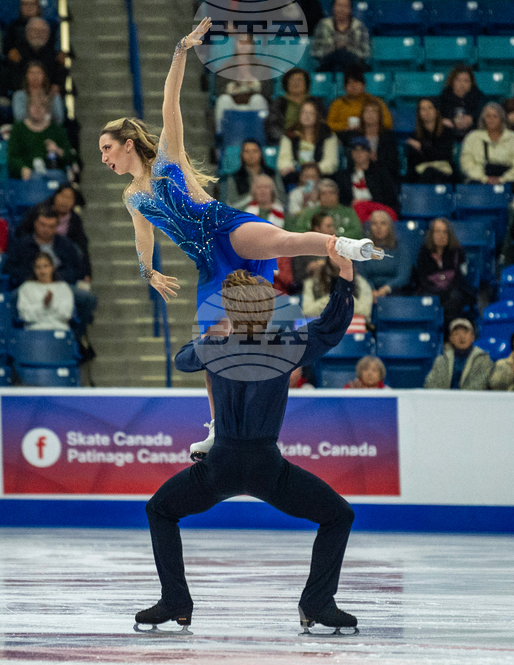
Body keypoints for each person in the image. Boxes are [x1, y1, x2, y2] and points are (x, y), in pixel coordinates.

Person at [99, 19, 377, 460]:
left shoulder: (170, 157)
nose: (104, 157)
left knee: (281, 241)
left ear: (129, 142)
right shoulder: (132, 198)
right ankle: (217, 429)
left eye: (107, 148)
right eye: (100, 152)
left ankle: (338, 245)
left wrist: (180, 51)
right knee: (213, 348)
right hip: (209, 265)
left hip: (224, 226)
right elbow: (143, 236)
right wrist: (146, 270)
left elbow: (170, 98)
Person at [138, 241, 359, 635]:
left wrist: (213, 335)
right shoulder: (285, 345)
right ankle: (317, 603)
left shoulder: (214, 346)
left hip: (220, 465)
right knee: (338, 516)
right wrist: (344, 276)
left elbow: (182, 360)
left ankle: (176, 600)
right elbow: (331, 327)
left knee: (160, 510)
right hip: (266, 467)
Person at [5, 206, 96, 337]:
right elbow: (9, 268)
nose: (46, 229)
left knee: (87, 299)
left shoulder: (66, 245)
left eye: (51, 226)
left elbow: (77, 269)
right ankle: (15, 338)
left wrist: (59, 278)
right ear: (35, 223)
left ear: (56, 226)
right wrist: (30, 277)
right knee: (10, 299)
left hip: (60, 284)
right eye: (43, 225)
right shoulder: (22, 244)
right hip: (30, 283)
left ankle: (78, 337)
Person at [409, 217, 475, 325]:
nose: (441, 235)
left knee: (455, 299)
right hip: (431, 290)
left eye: (445, 232)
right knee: (428, 300)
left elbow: (459, 276)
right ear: (431, 234)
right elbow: (422, 278)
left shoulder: (457, 251)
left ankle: (448, 334)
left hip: (452, 289)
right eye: (438, 232)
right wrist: (437, 292)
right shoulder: (423, 253)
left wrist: (447, 290)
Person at [16, 184, 91, 273]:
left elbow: (82, 245)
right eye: (63, 196)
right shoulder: (39, 211)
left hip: (62, 259)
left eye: (69, 198)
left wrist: (87, 273)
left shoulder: (75, 220)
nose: (65, 201)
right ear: (55, 196)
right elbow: (21, 233)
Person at [460, 102, 514, 184]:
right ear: (483, 119)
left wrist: (502, 179)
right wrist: (485, 178)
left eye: (495, 116)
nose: (491, 119)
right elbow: (467, 163)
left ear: (502, 118)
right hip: (479, 182)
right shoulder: (472, 137)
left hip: (508, 182)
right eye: (488, 116)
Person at [9, 96, 76, 180]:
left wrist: (57, 150)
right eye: (34, 106)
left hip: (53, 174)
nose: (37, 109)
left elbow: (70, 157)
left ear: (47, 109)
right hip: (28, 175)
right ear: (28, 108)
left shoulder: (56, 130)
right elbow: (12, 157)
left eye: (41, 106)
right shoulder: (18, 129)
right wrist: (21, 168)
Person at [423, 318, 493, 390]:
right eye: (456, 333)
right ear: (451, 339)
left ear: (472, 337)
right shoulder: (442, 360)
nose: (461, 337)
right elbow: (430, 384)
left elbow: (481, 386)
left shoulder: (483, 359)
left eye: (465, 332)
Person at [278, 98, 339, 182]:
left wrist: (311, 172)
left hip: (321, 177)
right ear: (299, 114)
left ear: (317, 115)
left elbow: (331, 162)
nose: (307, 116)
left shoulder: (328, 136)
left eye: (311, 113)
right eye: (304, 112)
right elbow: (283, 160)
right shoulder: (289, 135)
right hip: (296, 176)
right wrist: (296, 171)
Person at [334, 137, 398, 213]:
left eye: (362, 150)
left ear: (369, 153)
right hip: (353, 212)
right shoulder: (344, 176)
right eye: (355, 150)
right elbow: (341, 200)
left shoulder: (380, 174)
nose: (358, 153)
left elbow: (389, 199)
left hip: (376, 212)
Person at [340, 97, 399, 180]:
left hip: (381, 177)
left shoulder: (387, 137)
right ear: (362, 115)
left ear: (380, 115)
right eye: (367, 111)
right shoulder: (355, 135)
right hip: (357, 175)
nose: (370, 114)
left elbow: (392, 164)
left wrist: (374, 159)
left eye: (374, 111)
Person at [357, 210, 408, 301]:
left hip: (394, 292)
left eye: (383, 223)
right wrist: (371, 290)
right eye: (374, 224)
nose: (378, 227)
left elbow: (403, 276)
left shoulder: (400, 248)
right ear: (369, 227)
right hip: (367, 291)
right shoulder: (363, 248)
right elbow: (361, 274)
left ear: (390, 227)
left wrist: (386, 288)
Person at [303, 255, 373, 321]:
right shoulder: (311, 283)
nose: (339, 257)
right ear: (328, 256)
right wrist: (328, 301)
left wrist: (347, 301)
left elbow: (366, 311)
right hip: (323, 326)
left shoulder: (360, 282)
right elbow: (306, 311)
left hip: (351, 326)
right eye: (336, 253)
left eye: (343, 254)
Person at [17, 251, 74, 331]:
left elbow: (66, 314)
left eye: (45, 266)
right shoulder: (26, 288)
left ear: (52, 268)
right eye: (38, 267)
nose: (42, 271)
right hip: (34, 331)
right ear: (34, 269)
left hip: (59, 329)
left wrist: (49, 305)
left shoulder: (63, 287)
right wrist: (44, 305)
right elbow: (25, 315)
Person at [405, 98, 456, 184]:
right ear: (419, 114)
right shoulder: (415, 136)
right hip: (422, 175)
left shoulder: (447, 132)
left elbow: (444, 155)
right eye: (423, 109)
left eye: (430, 108)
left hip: (444, 174)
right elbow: (414, 162)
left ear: (436, 111)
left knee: (431, 172)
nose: (427, 112)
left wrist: (421, 147)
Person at [326, 68, 391, 136]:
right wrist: (346, 126)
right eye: (349, 83)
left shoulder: (375, 102)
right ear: (344, 87)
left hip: (370, 136)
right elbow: (329, 125)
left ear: (364, 85)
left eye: (356, 82)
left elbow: (388, 123)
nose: (353, 86)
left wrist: (364, 126)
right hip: (343, 139)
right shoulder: (337, 104)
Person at [310, 0, 369, 74]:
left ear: (351, 9)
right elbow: (315, 52)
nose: (342, 9)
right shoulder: (323, 25)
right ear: (333, 7)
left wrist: (347, 49)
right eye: (339, 6)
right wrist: (334, 49)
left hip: (354, 66)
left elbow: (365, 53)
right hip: (328, 64)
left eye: (345, 6)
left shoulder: (360, 27)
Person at [288, 179, 363, 237]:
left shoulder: (349, 212)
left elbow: (357, 232)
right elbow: (299, 232)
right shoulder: (308, 213)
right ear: (319, 196)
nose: (328, 197)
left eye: (331, 193)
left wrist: (336, 239)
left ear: (337, 194)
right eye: (324, 193)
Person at [6, 17, 65, 89]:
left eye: (43, 31)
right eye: (34, 30)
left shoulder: (55, 57)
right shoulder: (16, 54)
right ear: (27, 33)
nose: (38, 34)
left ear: (48, 35)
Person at [265, 67, 320, 144]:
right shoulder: (279, 103)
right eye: (292, 80)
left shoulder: (314, 102)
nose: (296, 83)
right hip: (285, 141)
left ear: (306, 83)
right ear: (286, 83)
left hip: (311, 141)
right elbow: (273, 126)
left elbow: (321, 124)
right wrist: (287, 138)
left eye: (299, 80)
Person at [223, 138, 281, 209]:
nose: (251, 155)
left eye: (255, 151)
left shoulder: (272, 174)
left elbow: (282, 199)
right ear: (242, 154)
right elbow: (231, 204)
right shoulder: (234, 177)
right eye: (247, 151)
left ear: (261, 153)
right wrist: (250, 197)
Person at [12, 60, 65, 126]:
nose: (35, 76)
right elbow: (19, 117)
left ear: (44, 75)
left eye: (38, 73)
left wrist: (47, 105)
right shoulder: (19, 95)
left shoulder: (52, 95)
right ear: (27, 75)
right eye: (32, 73)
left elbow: (60, 118)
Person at [439, 65, 482, 141]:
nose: (462, 84)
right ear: (452, 82)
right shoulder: (443, 98)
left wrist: (472, 119)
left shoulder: (479, 97)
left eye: (466, 81)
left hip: (475, 139)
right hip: (447, 140)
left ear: (471, 83)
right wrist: (451, 121)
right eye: (458, 80)